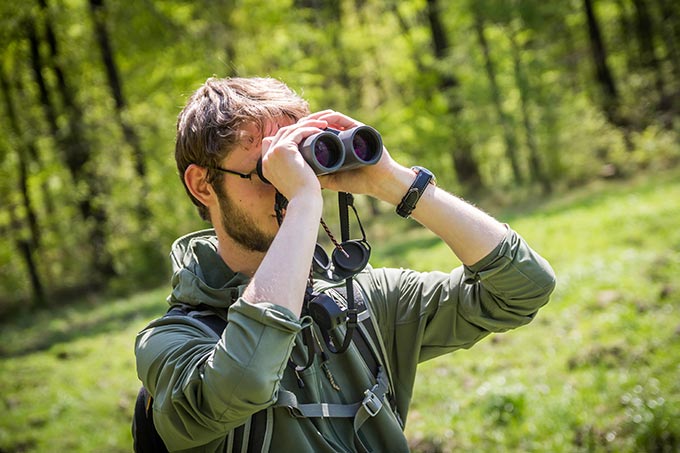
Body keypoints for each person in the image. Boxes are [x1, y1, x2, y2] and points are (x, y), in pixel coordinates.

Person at [134, 76, 556, 452]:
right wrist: (302, 203)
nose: (290, 185)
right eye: (269, 170)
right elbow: (244, 380)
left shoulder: (364, 299)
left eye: (300, 164)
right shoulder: (170, 346)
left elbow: (523, 288)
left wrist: (392, 180)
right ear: (202, 184)